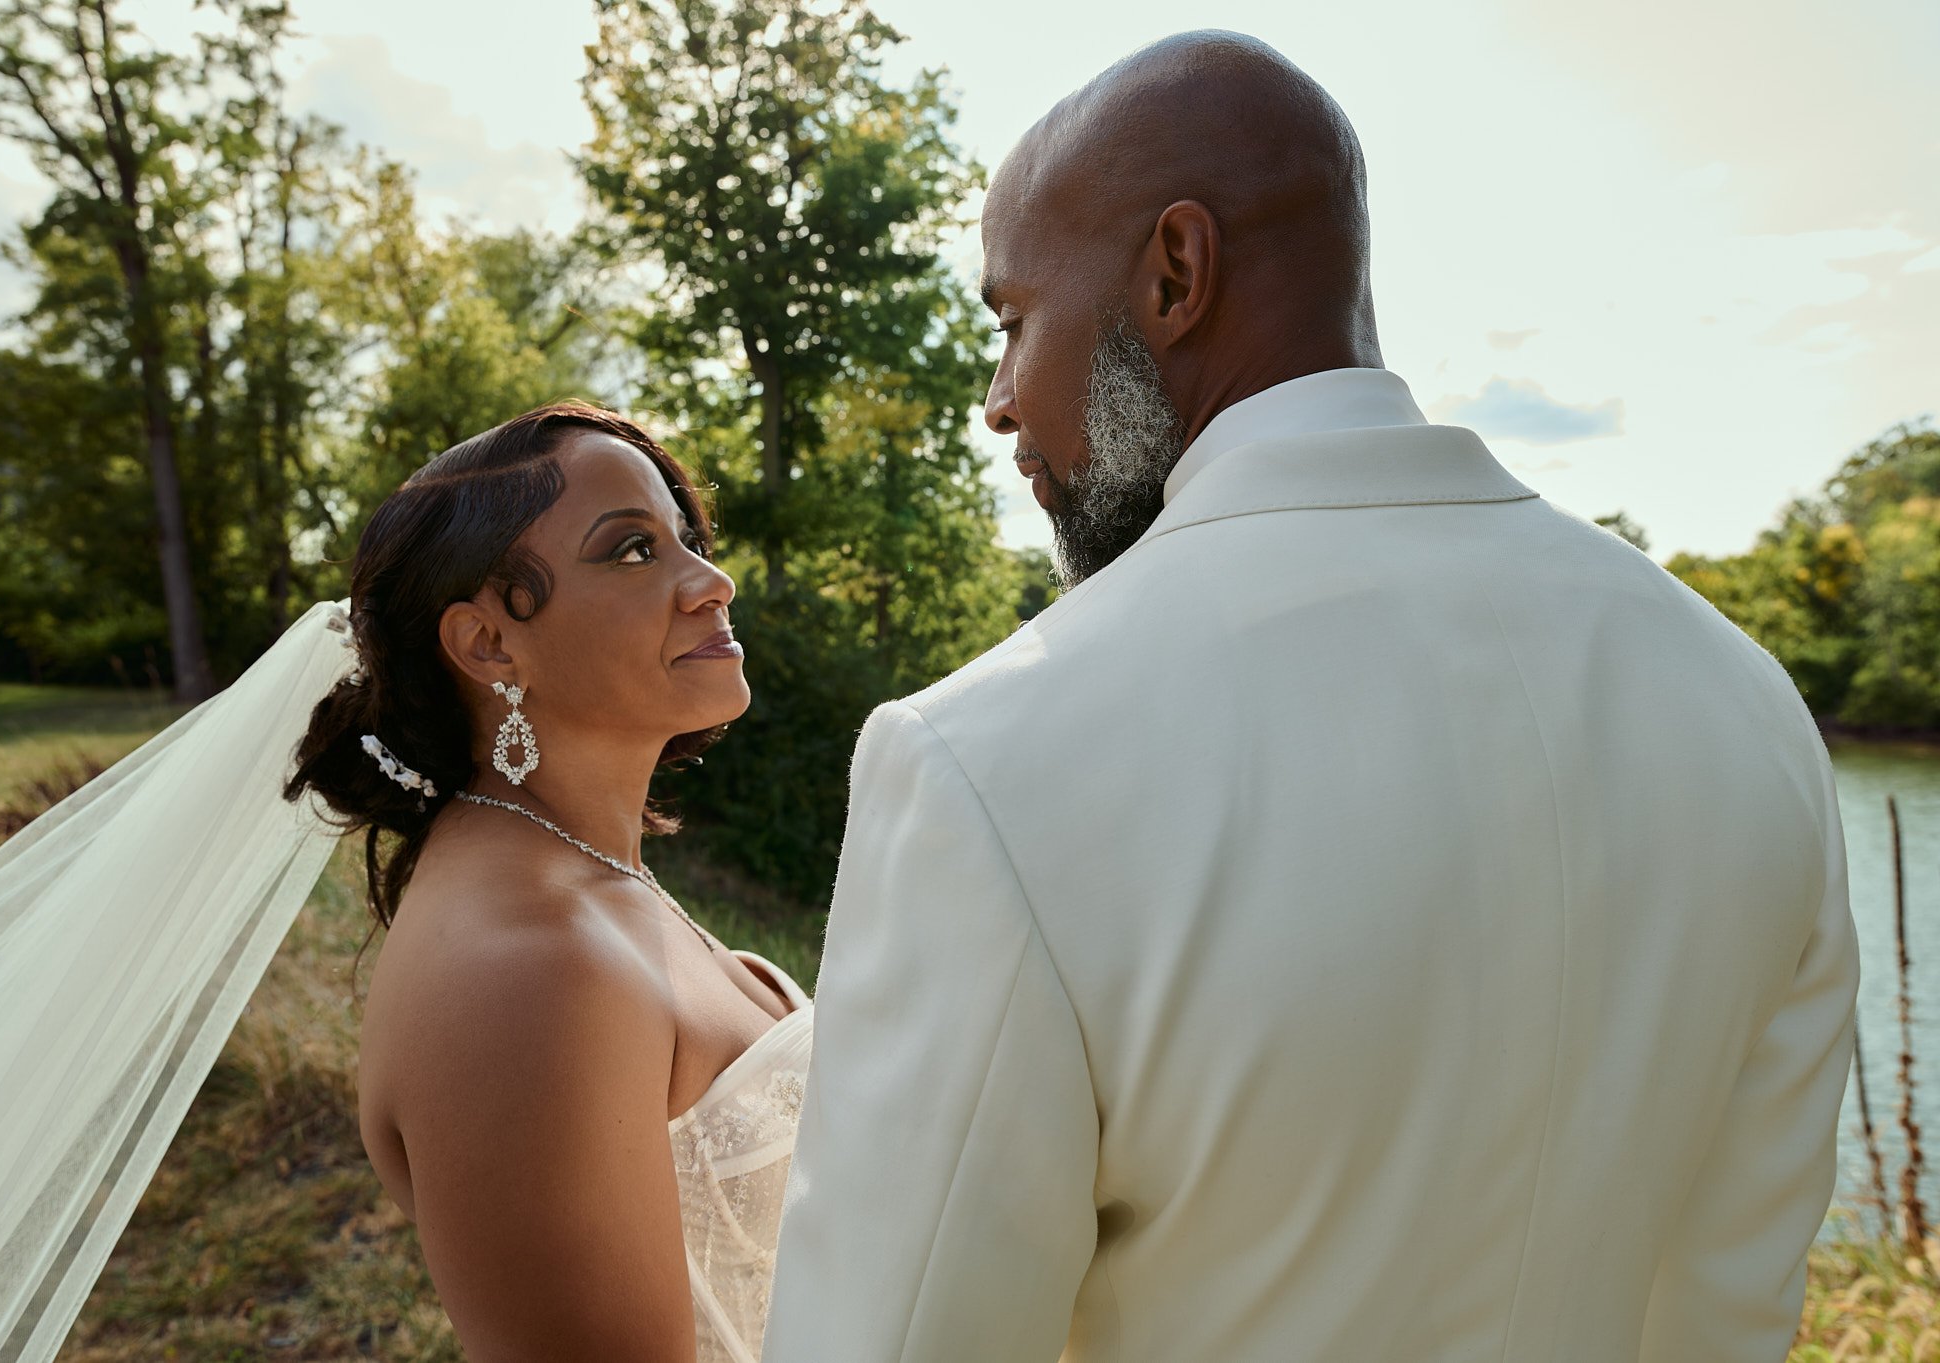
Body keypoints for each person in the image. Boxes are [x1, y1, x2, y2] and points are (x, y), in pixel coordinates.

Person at [760, 30, 1858, 1363]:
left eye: (1010, 322)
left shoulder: (987, 758)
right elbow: (1735, 1304)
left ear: (1175, 272)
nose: (998, 403)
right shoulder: (1744, 704)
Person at [0, 401, 814, 1363]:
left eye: (683, 535)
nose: (712, 581)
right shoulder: (527, 970)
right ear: (488, 644)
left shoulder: (588, 877)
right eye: (631, 550)